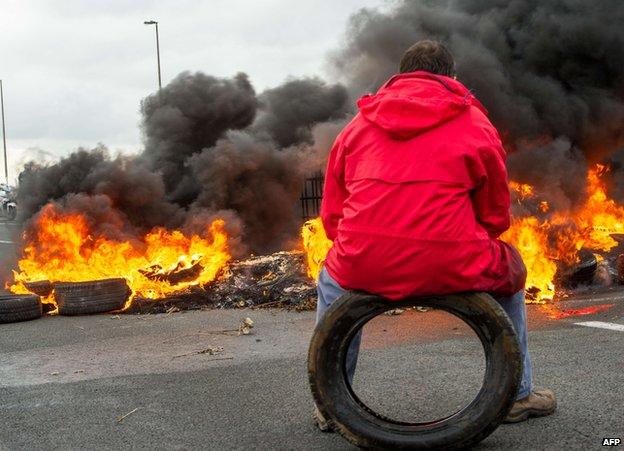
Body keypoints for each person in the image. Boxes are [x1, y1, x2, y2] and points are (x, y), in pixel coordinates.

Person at [314, 40, 556, 431]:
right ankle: (517, 396)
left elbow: (332, 216)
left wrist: (367, 245)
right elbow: (495, 216)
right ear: (451, 78)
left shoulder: (355, 127)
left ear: (399, 76)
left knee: (330, 284)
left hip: (364, 261)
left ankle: (329, 404)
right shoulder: (476, 124)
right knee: (511, 276)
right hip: (452, 260)